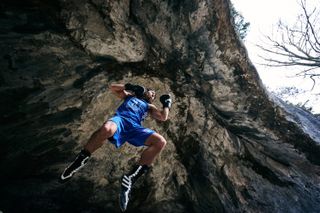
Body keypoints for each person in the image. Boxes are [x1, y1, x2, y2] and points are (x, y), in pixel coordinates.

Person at [60, 82, 172, 212]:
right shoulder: (130, 96)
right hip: (120, 120)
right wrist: (132, 86)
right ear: (144, 91)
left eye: (154, 95)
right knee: (106, 129)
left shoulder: (149, 106)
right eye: (151, 91)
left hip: (134, 128)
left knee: (161, 142)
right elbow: (112, 87)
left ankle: (131, 177)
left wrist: (167, 104)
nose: (152, 94)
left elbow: (163, 117)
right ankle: (80, 160)